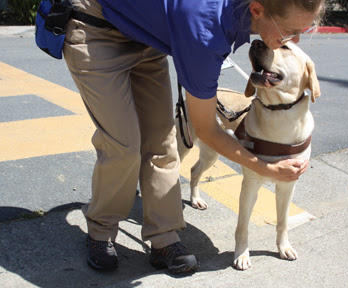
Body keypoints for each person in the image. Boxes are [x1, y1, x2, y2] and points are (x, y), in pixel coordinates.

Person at [63, 0, 325, 273]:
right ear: (258, 10)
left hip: (144, 37)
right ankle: (101, 230)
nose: (294, 39)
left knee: (164, 144)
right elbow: (205, 129)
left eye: (303, 30)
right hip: (98, 29)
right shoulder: (206, 31)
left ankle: (163, 236)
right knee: (124, 145)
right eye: (289, 31)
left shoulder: (228, 20)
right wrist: (267, 168)